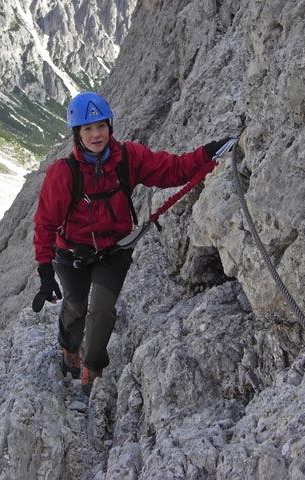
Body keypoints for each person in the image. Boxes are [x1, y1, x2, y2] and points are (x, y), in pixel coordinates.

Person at [32, 91, 230, 395]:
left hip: (113, 251)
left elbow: (172, 170)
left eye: (100, 126)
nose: (96, 134)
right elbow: (45, 222)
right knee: (75, 307)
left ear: (110, 126)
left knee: (101, 309)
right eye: (88, 128)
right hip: (71, 253)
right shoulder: (64, 173)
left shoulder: (129, 158)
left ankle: (91, 371)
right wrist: (45, 271)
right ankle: (69, 347)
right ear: (77, 133)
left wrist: (207, 153)